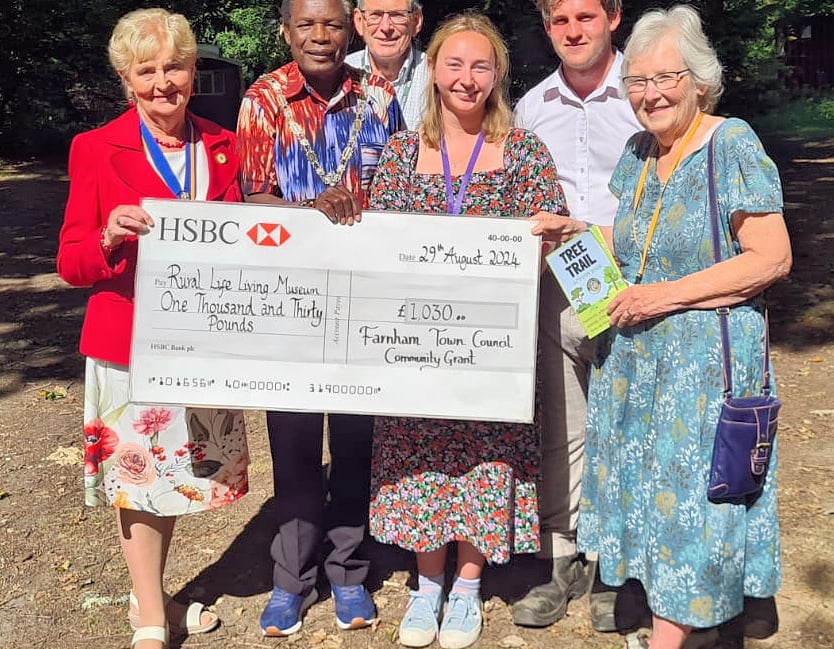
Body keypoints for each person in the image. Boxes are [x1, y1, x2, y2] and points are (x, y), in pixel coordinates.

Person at [574, 5, 791, 649]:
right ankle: (668, 602)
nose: (651, 94)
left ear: (700, 80)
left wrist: (662, 299)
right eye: (637, 82)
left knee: (698, 495)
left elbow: (771, 257)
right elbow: (638, 242)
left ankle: (681, 626)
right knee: (649, 485)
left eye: (666, 78)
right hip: (640, 361)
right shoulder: (640, 151)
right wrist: (578, 234)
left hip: (704, 365)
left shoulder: (732, 143)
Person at [367, 12, 568, 649]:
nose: (467, 77)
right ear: (433, 71)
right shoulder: (401, 153)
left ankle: (468, 588)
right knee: (423, 456)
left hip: (492, 350)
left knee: (486, 459)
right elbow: (377, 248)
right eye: (454, 63)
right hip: (416, 349)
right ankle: (427, 586)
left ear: (498, 74)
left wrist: (548, 238)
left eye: (481, 65)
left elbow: (552, 243)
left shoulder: (527, 152)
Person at [56, 8, 250, 649]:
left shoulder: (224, 145)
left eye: (175, 66)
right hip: (129, 342)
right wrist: (109, 235)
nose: (164, 82)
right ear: (125, 77)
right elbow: (71, 264)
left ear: (195, 71)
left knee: (185, 477)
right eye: (148, 70)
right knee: (139, 480)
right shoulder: (95, 148)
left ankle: (159, 596)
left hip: (203, 340)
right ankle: (148, 611)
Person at [235, 0, 404, 637]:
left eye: (332, 23)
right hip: (292, 296)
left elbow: (394, 188)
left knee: (359, 439)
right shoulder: (264, 98)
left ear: (350, 29)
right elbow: (253, 196)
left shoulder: (381, 97)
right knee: (296, 441)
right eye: (306, 25)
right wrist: (312, 210)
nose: (320, 36)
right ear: (287, 32)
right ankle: (291, 580)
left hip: (365, 295)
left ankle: (349, 572)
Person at [511, 0, 642, 632]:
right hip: (560, 285)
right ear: (547, 28)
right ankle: (564, 559)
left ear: (614, 16)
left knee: (630, 421)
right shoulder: (531, 107)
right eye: (560, 21)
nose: (573, 31)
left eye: (586, 17)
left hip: (635, 283)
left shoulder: (646, 92)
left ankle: (621, 567)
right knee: (564, 421)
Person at [346, 0, 429, 128]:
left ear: (416, 21)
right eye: (376, 15)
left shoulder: (434, 75)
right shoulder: (339, 73)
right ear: (359, 21)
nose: (386, 27)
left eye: (397, 15)